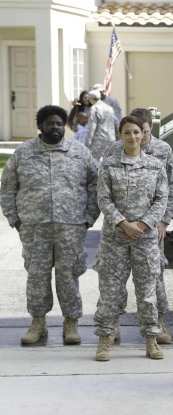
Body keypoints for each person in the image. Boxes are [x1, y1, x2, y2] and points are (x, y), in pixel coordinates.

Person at [0, 105, 100, 345]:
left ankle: (71, 323)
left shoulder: (79, 152)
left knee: (69, 276)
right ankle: (38, 323)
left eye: (58, 123)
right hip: (35, 228)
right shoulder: (23, 153)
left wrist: (88, 219)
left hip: (71, 226)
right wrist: (15, 219)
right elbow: (7, 187)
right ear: (40, 126)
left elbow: (95, 186)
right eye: (49, 123)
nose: (54, 127)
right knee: (37, 276)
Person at [93, 115, 169, 361]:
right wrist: (124, 223)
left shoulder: (155, 165)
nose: (133, 137)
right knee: (110, 291)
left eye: (137, 132)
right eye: (127, 133)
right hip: (115, 238)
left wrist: (144, 224)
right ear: (120, 135)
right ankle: (105, 340)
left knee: (147, 292)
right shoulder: (109, 165)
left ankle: (151, 340)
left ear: (143, 134)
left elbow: (161, 198)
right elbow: (103, 199)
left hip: (145, 238)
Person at [103, 108, 173, 344]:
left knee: (153, 278)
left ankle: (158, 323)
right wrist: (124, 224)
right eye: (135, 132)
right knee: (115, 280)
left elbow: (170, 189)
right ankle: (113, 323)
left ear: (149, 129)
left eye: (144, 132)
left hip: (151, 228)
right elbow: (104, 194)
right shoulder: (114, 151)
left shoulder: (163, 150)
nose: (140, 138)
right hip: (119, 230)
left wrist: (162, 222)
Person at [85, 89, 116, 161]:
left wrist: (87, 142)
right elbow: (115, 122)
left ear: (90, 98)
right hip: (111, 139)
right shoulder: (109, 108)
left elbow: (92, 127)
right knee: (109, 161)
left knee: (93, 162)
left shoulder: (94, 108)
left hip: (99, 140)